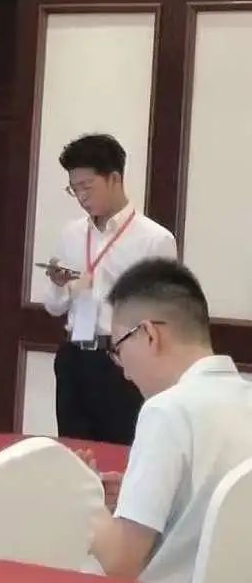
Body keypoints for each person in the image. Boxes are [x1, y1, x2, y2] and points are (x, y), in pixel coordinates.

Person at [87, 258, 252, 581]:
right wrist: (135, 497)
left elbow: (121, 562)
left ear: (149, 334)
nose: (124, 371)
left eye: (118, 349)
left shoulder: (166, 411)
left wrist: (84, 496)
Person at [43, 134, 176, 444]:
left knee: (119, 452)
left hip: (121, 363)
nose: (81, 197)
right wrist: (60, 286)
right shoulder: (72, 234)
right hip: (74, 356)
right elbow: (53, 307)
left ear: (114, 178)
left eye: (87, 187)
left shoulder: (154, 240)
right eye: (74, 189)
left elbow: (163, 315)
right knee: (73, 451)